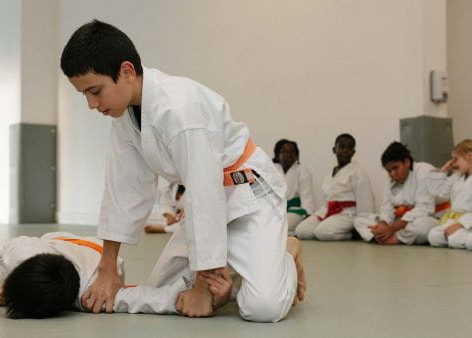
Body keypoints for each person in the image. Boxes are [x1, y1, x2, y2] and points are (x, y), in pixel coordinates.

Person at [60, 20, 304, 321]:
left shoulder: (178, 108)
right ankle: (237, 270)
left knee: (262, 308)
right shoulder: (124, 116)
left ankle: (287, 256)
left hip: (249, 196)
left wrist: (203, 284)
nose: (91, 104)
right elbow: (122, 190)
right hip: (210, 202)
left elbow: (205, 191)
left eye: (95, 91)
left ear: (125, 72)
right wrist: (107, 268)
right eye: (84, 94)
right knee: (163, 290)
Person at [0, 231, 193, 318]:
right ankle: (10, 282)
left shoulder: (92, 294)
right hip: (60, 242)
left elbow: (139, 298)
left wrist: (188, 298)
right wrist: (9, 286)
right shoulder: (25, 252)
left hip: (97, 253)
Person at [353, 142, 442, 245]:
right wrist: (383, 224)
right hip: (400, 222)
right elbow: (386, 208)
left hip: (432, 217)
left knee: (422, 226)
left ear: (407, 162)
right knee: (359, 219)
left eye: (395, 168)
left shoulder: (425, 172)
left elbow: (424, 209)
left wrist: (392, 228)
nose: (392, 174)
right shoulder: (390, 179)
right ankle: (381, 236)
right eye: (388, 171)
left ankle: (396, 238)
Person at [295, 133, 374, 240]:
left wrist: (360, 224)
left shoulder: (358, 173)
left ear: (353, 152)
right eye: (342, 147)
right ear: (334, 150)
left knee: (322, 232)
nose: (345, 150)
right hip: (328, 211)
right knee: (301, 231)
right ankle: (329, 231)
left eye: (349, 148)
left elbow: (366, 202)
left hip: (348, 214)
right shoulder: (330, 173)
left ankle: (351, 235)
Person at [427, 139, 472, 249]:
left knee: (456, 239)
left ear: (469, 156)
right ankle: (465, 237)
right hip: (455, 222)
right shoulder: (457, 177)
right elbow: (438, 191)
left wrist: (459, 225)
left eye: (456, 159)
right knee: (433, 236)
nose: (454, 163)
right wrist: (444, 170)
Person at [273, 139, 315, 235]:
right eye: (283, 151)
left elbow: (307, 196)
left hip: (296, 210)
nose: (287, 155)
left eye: (291, 152)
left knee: (279, 226)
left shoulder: (302, 171)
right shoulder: (274, 169)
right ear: (278, 155)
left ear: (296, 156)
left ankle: (293, 231)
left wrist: (308, 216)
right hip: (278, 209)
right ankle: (292, 232)